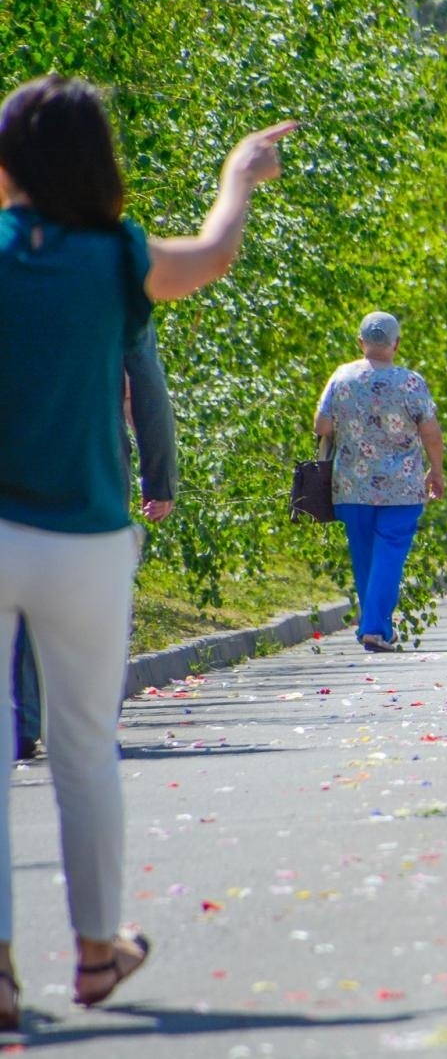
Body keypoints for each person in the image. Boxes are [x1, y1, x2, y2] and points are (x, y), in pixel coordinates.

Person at [0, 73, 294, 1021]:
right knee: (83, 751)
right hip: (83, 539)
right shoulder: (116, 257)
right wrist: (239, 173)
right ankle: (94, 953)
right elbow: (212, 253)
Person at [12, 321, 179, 763]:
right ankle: (87, 721)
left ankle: (21, 721)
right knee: (92, 589)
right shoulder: (111, 286)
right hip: (94, 461)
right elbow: (147, 385)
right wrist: (159, 477)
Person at [315, 313, 445, 653]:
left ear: (361, 343)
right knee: (389, 555)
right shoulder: (410, 382)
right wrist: (436, 471)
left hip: (351, 486)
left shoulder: (341, 377)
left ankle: (373, 626)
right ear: (396, 344)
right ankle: (375, 627)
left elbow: (322, 426)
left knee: (365, 557)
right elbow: (431, 433)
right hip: (401, 488)